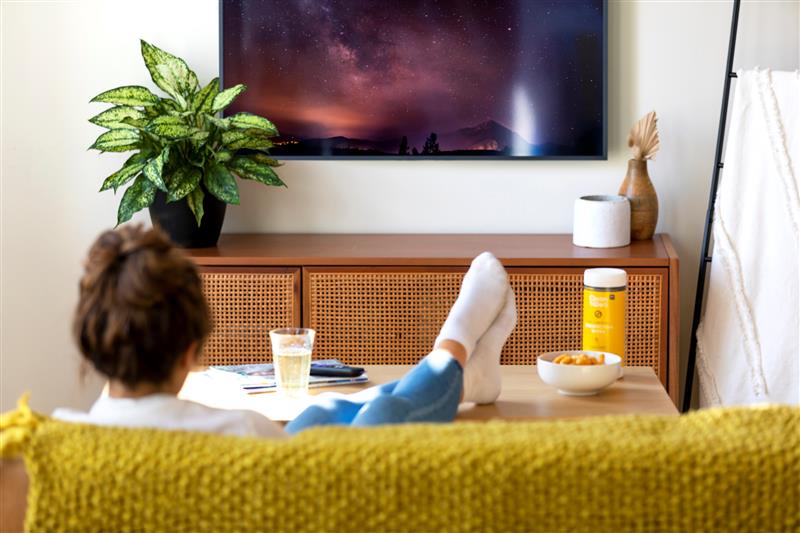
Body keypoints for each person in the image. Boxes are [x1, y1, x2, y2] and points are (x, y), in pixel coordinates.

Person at [54, 226, 517, 437]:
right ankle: (453, 350)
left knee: (318, 417)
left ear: (90, 346)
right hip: (311, 457)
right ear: (189, 352)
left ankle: (467, 375)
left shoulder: (54, 443)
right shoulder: (242, 434)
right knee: (381, 418)